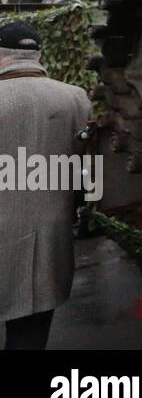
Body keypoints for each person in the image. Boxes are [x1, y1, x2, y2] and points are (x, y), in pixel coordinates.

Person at [0, 22, 92, 350]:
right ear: (38, 54)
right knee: (29, 333)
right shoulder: (76, 99)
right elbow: (87, 169)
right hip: (46, 239)